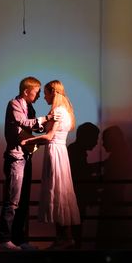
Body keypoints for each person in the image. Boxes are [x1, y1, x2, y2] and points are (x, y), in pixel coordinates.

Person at [0, 76, 57, 250]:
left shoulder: (29, 107)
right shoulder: (14, 104)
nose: (39, 96)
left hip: (26, 156)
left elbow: (31, 126)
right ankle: (4, 240)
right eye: (36, 92)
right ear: (26, 91)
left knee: (23, 202)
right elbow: (23, 122)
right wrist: (46, 118)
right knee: (13, 201)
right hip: (16, 158)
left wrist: (46, 126)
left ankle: (19, 240)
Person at [20, 80, 80, 249]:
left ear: (52, 92)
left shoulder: (58, 111)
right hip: (60, 151)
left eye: (45, 93)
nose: (43, 97)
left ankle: (64, 238)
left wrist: (27, 141)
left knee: (57, 192)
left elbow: (49, 136)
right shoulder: (65, 110)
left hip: (55, 152)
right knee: (60, 192)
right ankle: (63, 238)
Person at [67, 122, 101, 249]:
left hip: (74, 196)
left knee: (76, 227)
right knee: (77, 227)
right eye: (94, 138)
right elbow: (81, 172)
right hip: (76, 197)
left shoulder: (74, 149)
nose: (96, 142)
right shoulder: (76, 152)